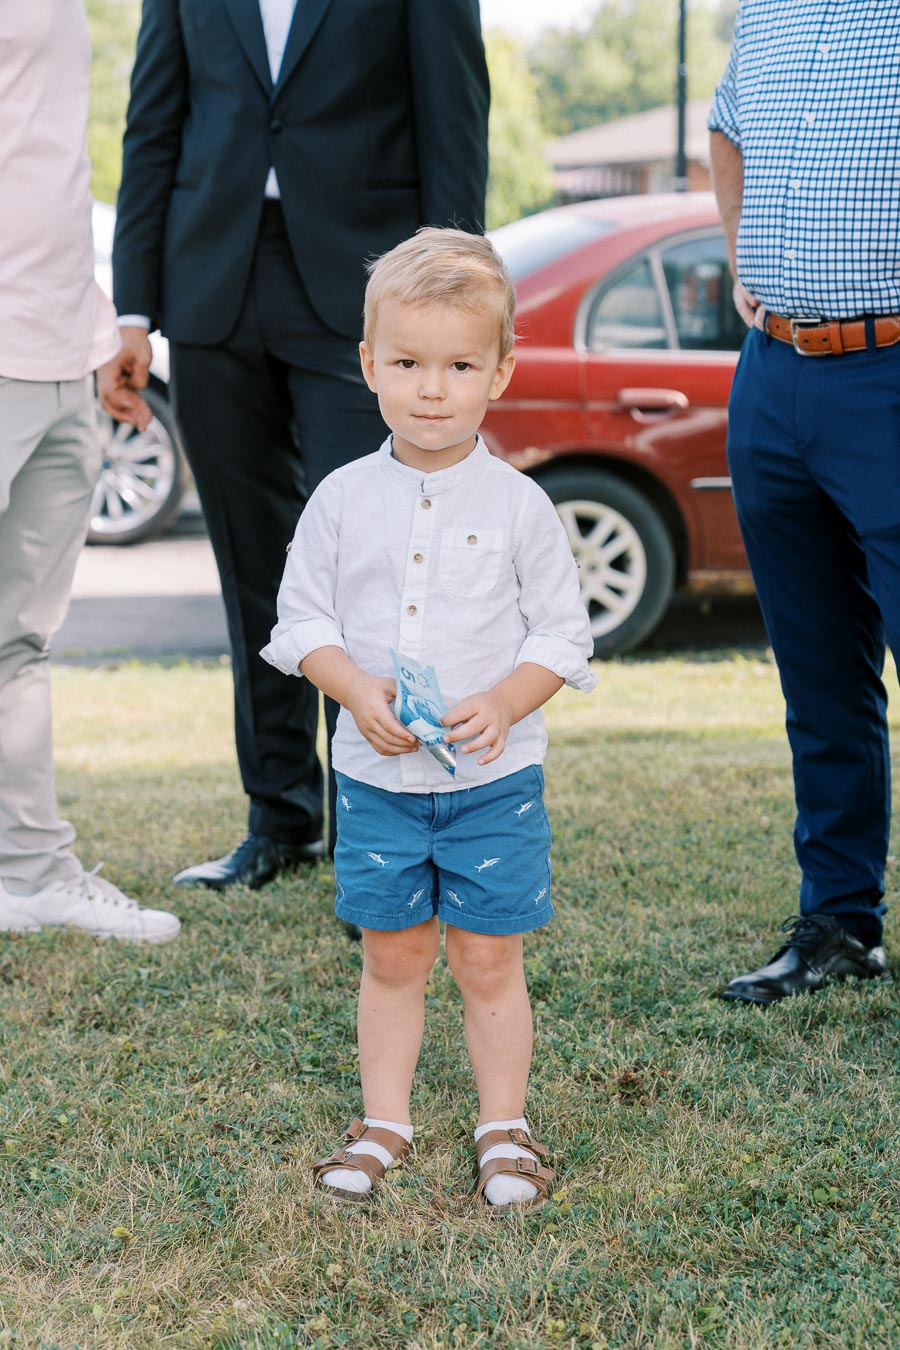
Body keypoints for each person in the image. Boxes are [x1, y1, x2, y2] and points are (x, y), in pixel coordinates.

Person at [101, 0, 490, 894]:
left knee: (372, 572)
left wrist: (451, 300)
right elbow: (152, 128)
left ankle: (380, 838)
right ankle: (279, 820)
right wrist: (133, 310)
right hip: (212, 291)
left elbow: (454, 118)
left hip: (367, 295)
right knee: (252, 567)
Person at [261, 229, 597, 1211]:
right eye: (408, 364)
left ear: (500, 370)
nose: (433, 390)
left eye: (459, 366)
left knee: (489, 955)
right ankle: (385, 1123)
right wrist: (356, 692)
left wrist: (501, 701)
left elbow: (562, 638)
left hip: (492, 785)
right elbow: (303, 624)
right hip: (379, 782)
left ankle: (504, 1127)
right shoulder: (338, 500)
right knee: (394, 952)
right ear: (369, 365)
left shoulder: (524, 505)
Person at [709, 0, 896, 1003]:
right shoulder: (768, 10)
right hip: (772, 377)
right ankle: (840, 923)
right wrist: (741, 251)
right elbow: (727, 124)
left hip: (892, 372)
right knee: (821, 680)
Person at [0, 1, 180, 945]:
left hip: (62, 347)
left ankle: (31, 874)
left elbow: (49, 162)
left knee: (17, 639)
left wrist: (102, 320)